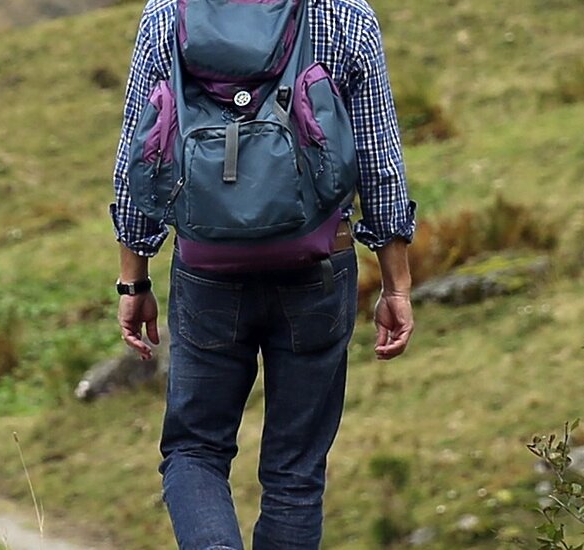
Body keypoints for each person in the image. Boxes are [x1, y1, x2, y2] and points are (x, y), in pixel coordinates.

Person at [108, 0, 416, 548]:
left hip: (208, 270)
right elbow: (378, 161)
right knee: (295, 474)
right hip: (318, 267)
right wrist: (397, 285)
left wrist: (134, 280)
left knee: (194, 451)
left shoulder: (165, 15)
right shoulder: (345, 15)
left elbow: (140, 151)